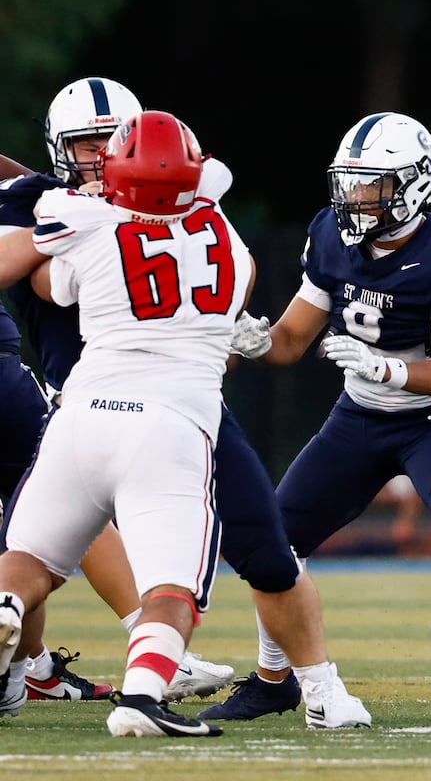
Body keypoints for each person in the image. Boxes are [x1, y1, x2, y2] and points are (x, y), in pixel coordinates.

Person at [1, 77, 367, 727]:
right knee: (162, 579)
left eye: (109, 144)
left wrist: (82, 221)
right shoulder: (194, 220)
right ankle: (110, 677)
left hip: (126, 411)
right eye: (85, 145)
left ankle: (318, 686)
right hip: (154, 411)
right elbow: (233, 282)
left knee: (263, 550)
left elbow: (54, 282)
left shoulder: (72, 216)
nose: (97, 158)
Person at [226, 111, 431, 725]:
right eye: (350, 182)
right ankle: (273, 679)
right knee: (273, 542)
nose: (355, 197)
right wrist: (257, 341)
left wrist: (385, 367)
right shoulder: (331, 236)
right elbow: (291, 340)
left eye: (372, 184)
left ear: (415, 184)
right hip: (358, 418)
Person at [0, 111, 243, 737]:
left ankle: (6, 608)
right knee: (169, 590)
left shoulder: (84, 222)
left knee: (28, 559)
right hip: (169, 425)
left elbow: (51, 287)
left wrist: (77, 215)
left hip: (82, 414)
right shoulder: (229, 241)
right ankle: (142, 695)